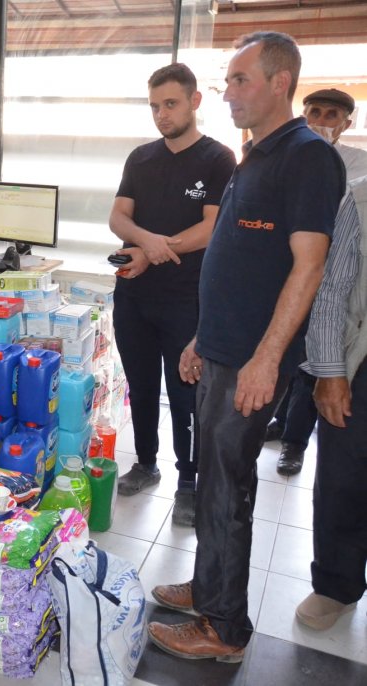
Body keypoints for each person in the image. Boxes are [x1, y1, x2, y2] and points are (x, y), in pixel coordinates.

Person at [148, 32, 346, 662]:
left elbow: (309, 266)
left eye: (240, 80)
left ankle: (224, 628)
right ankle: (208, 588)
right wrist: (202, 337)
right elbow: (238, 264)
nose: (228, 92)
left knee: (228, 489)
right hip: (223, 349)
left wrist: (266, 358)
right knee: (213, 479)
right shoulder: (254, 155)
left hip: (253, 359)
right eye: (229, 81)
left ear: (280, 83)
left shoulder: (308, 157)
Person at [108, 63, 236, 526]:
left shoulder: (218, 159)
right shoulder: (141, 158)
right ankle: (146, 463)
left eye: (171, 104)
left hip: (186, 300)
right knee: (140, 387)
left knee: (186, 396)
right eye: (154, 106)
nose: (162, 114)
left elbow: (212, 228)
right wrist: (146, 243)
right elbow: (118, 218)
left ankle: (188, 482)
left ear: (194, 101)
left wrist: (153, 250)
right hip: (133, 297)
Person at [263, 87, 367, 476]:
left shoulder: (358, 166)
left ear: (346, 123)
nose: (321, 121)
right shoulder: (289, 156)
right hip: (286, 275)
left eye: (331, 115)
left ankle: (295, 443)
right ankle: (279, 423)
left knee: (315, 366)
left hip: (331, 280)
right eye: (315, 112)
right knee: (287, 358)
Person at [295, 175, 367, 631]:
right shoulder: (360, 196)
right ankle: (336, 585)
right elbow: (333, 289)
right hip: (360, 363)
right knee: (342, 480)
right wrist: (330, 372)